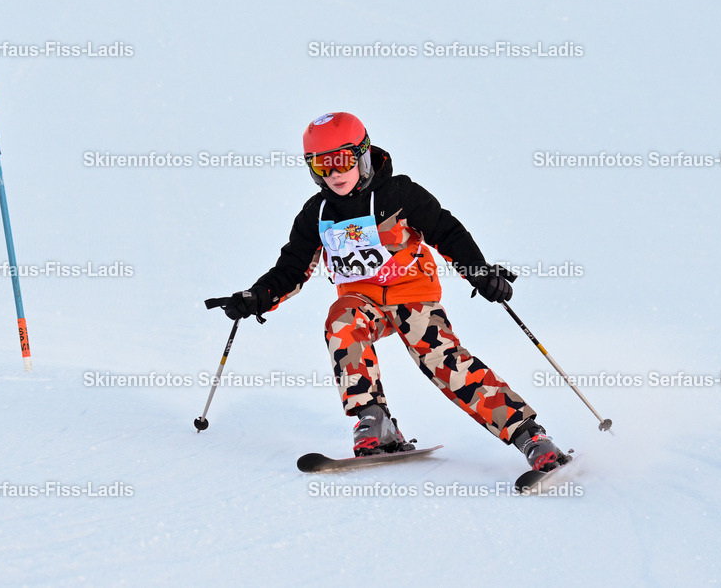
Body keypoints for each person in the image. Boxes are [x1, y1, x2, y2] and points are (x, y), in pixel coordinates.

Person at [219, 112, 569, 472]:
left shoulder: (399, 194)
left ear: (363, 154)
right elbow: (292, 268)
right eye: (321, 166)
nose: (334, 174)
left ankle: (530, 436)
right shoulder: (317, 213)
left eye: (341, 161)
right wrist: (257, 296)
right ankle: (375, 421)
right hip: (363, 302)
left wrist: (480, 273)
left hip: (412, 297)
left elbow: (447, 232)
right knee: (341, 320)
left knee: (444, 362)